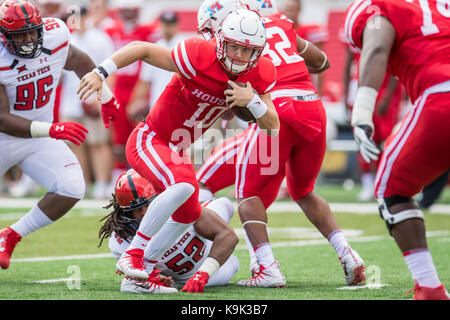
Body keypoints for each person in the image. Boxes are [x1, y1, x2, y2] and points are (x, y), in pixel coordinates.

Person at [78, 8, 280, 292]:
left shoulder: (259, 74)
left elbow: (272, 126)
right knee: (184, 185)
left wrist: (253, 101)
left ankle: (137, 278)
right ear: (222, 41)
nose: (238, 56)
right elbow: (142, 49)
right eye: (233, 46)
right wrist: (102, 72)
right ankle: (134, 256)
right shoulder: (199, 54)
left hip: (176, 150)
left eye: (247, 51)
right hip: (151, 138)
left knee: (188, 213)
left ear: (258, 53)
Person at [196, 0, 366, 287]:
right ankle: (348, 254)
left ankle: (267, 268)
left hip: (276, 110)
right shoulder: (279, 23)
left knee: (248, 195)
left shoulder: (227, 43)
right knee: (303, 191)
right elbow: (322, 62)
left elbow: (234, 106)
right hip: (313, 105)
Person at [0, 0, 119, 270]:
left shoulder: (55, 35)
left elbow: (81, 62)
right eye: (20, 34)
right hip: (5, 137)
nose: (29, 39)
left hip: (37, 139)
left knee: (71, 187)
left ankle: (11, 235)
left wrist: (107, 98)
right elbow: (2, 119)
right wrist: (52, 129)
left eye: (33, 31)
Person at [344, 0, 450, 300]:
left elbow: (377, 47)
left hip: (441, 94)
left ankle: (429, 287)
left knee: (393, 191)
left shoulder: (380, 9)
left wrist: (362, 111)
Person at [99, 169, 239, 294]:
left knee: (224, 204)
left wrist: (204, 273)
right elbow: (143, 274)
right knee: (233, 264)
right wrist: (158, 279)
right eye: (136, 209)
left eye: (148, 204)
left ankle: (202, 200)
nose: (144, 213)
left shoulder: (181, 208)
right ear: (125, 211)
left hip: (206, 252)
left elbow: (228, 236)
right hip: (187, 278)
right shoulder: (121, 239)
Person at [59, 5, 115, 200]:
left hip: (94, 98)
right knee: (75, 144)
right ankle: (83, 182)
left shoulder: (100, 38)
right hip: (71, 100)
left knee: (98, 143)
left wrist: (103, 98)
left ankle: (102, 182)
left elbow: (111, 72)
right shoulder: (68, 39)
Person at [103, 0, 158, 184]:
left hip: (138, 88)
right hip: (119, 87)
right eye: (124, 11)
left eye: (130, 11)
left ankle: (139, 175)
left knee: (139, 134)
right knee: (118, 136)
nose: (127, 15)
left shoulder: (146, 31)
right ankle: (117, 174)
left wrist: (142, 95)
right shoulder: (112, 31)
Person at [342, 43, 403, 201]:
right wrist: (345, 97)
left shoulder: (384, 32)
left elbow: (394, 68)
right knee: (363, 137)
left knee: (385, 140)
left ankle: (385, 182)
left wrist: (388, 96)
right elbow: (348, 66)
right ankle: (368, 184)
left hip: (382, 91)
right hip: (361, 90)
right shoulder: (355, 32)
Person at [126, 11, 185, 124]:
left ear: (177, 26)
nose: (167, 28)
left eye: (170, 24)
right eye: (165, 24)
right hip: (157, 105)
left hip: (180, 106)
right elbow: (145, 81)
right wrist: (134, 102)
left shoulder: (183, 47)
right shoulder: (154, 47)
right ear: (160, 25)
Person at [282, 0, 328, 95]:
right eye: (287, 10)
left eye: (292, 10)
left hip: (306, 84)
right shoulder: (280, 32)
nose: (289, 13)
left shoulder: (309, 31)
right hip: (286, 85)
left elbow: (320, 64)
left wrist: (320, 92)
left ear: (299, 10)